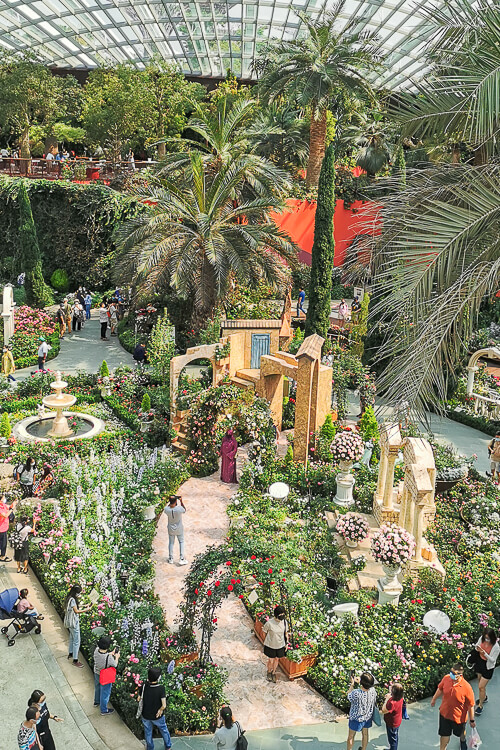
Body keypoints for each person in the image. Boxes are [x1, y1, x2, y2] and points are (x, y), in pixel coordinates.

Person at [430, 662, 475, 750]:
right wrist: (434, 699)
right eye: (451, 672)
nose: (451, 674)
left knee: (461, 733)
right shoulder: (446, 678)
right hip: (444, 714)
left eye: (454, 673)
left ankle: (462, 740)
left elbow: (471, 705)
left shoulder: (467, 688)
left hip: (459, 718)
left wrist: (472, 720)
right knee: (444, 735)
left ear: (460, 675)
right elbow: (440, 688)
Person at [140, 667, 172, 750]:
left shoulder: (144, 686)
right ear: (158, 678)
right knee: (164, 730)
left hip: (146, 715)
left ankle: (150, 748)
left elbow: (139, 699)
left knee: (148, 732)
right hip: (157, 716)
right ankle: (168, 746)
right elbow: (164, 705)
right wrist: (160, 710)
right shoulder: (161, 689)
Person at [346, 671, 377, 750]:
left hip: (356, 718)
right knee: (365, 734)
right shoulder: (373, 691)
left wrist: (352, 684)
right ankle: (363, 749)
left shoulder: (356, 693)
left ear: (361, 682)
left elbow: (349, 695)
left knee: (351, 736)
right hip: (367, 717)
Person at [64, 584, 92, 668]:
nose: (79, 594)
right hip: (73, 623)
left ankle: (71, 653)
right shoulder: (73, 600)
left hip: (69, 622)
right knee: (77, 641)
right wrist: (86, 610)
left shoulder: (69, 598)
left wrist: (85, 605)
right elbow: (76, 611)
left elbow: (74, 607)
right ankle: (75, 660)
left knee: (72, 638)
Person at [473, 628, 499, 714]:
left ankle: (480, 705)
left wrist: (485, 654)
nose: (486, 640)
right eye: (485, 638)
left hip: (488, 667)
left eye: (488, 638)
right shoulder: (482, 638)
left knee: (481, 686)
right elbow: (477, 645)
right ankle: (483, 697)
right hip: (480, 663)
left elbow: (492, 660)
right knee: (480, 683)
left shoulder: (496, 647)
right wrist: (478, 648)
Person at [93, 635, 120, 715]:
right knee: (105, 692)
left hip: (97, 673)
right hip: (105, 677)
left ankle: (96, 702)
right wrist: (117, 657)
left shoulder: (96, 650)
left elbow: (104, 655)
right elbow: (114, 664)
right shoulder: (109, 658)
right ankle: (104, 710)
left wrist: (110, 653)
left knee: (97, 688)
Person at [263, 605, 287, 683]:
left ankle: (273, 673)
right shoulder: (269, 623)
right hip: (271, 645)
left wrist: (286, 643)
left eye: (283, 614)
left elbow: (286, 633)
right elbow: (264, 632)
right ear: (276, 614)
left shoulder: (284, 622)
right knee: (271, 660)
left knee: (277, 659)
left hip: (280, 645)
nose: (282, 616)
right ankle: (269, 671)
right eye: (280, 614)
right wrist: (267, 640)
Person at [163, 495, 188, 565]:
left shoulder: (166, 509)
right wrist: (181, 501)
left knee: (171, 543)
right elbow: (184, 509)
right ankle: (181, 558)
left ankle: (171, 558)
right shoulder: (179, 509)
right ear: (176, 501)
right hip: (179, 528)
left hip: (170, 528)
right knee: (181, 542)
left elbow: (168, 507)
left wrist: (172, 501)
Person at [381, 683, 404, 750]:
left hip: (391, 723)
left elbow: (383, 710)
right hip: (397, 721)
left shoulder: (391, 703)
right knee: (394, 736)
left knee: (392, 740)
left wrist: (386, 700)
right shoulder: (401, 697)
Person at [0, 493, 17, 562]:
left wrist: (14, 503)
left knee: (2, 542)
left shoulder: (3, 505)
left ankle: (2, 555)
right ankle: (3, 556)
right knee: (3, 543)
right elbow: (5, 515)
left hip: (4, 527)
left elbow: (8, 507)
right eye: (3, 498)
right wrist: (12, 509)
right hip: (1, 528)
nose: (4, 499)